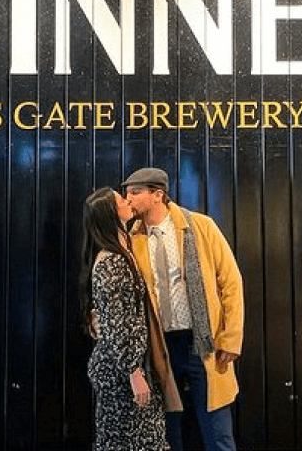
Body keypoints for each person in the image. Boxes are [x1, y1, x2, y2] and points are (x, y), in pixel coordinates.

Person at [122, 167, 244, 451]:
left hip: (202, 342)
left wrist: (231, 337)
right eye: (127, 193)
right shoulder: (132, 237)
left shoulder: (201, 226)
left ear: (157, 195)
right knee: (165, 430)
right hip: (159, 346)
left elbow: (231, 282)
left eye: (135, 192)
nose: (128, 199)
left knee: (217, 430)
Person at [79, 187, 169, 451]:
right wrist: (134, 372)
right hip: (121, 372)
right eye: (121, 200)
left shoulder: (122, 250)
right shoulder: (112, 262)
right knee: (130, 441)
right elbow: (118, 322)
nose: (128, 200)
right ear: (110, 214)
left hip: (126, 366)